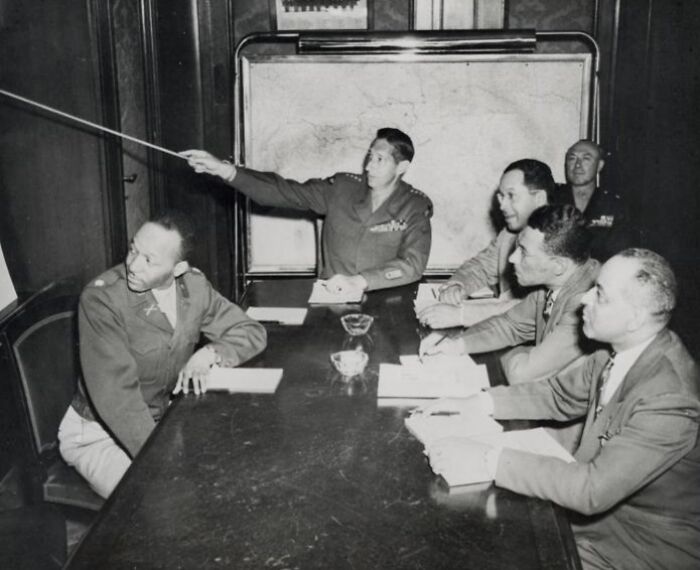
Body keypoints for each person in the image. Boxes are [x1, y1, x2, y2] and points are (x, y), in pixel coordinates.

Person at [422, 248, 700, 570]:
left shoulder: (670, 399)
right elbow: (558, 395)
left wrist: (486, 457)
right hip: (593, 523)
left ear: (635, 317)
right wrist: (478, 402)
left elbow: (591, 490)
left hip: (641, 546)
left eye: (600, 294)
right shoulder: (619, 351)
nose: (584, 299)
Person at [58, 211, 267, 498]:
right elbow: (119, 400)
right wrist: (166, 464)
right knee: (165, 501)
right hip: (99, 435)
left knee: (235, 472)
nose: (132, 264)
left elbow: (250, 331)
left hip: (162, 422)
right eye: (133, 249)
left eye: (149, 260)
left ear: (178, 268)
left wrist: (210, 353)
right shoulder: (102, 300)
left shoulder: (194, 287)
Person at [181, 128, 432, 293]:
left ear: (401, 167)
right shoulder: (342, 188)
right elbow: (286, 192)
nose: (369, 167)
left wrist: (360, 282)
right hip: (333, 298)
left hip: (385, 298)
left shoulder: (415, 205)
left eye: (380, 160)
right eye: (369, 157)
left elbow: (412, 264)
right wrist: (227, 171)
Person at [420, 204, 598, 385]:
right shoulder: (550, 286)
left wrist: (503, 351)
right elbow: (509, 325)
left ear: (558, 266)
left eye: (524, 252)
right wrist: (455, 344)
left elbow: (521, 373)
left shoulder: (586, 304)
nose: (512, 258)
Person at [418, 159, 553, 329]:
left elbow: (536, 309)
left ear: (540, 199)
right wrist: (458, 285)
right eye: (501, 197)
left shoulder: (560, 241)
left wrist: (462, 315)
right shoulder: (509, 235)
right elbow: (480, 267)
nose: (502, 205)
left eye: (511, 196)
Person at [553, 139, 634, 260]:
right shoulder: (551, 199)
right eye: (572, 158)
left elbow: (621, 253)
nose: (578, 165)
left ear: (599, 166)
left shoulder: (613, 205)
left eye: (586, 158)